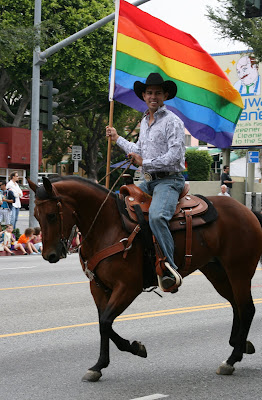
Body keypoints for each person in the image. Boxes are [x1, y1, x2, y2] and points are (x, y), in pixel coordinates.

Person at [106, 72, 185, 291]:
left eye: (158, 93)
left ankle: (170, 267)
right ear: (143, 95)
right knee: (118, 205)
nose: (153, 96)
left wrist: (145, 162)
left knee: (158, 216)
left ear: (165, 95)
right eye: (149, 92)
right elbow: (139, 150)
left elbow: (175, 156)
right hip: (148, 181)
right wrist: (117, 138)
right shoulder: (144, 121)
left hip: (169, 181)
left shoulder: (173, 122)